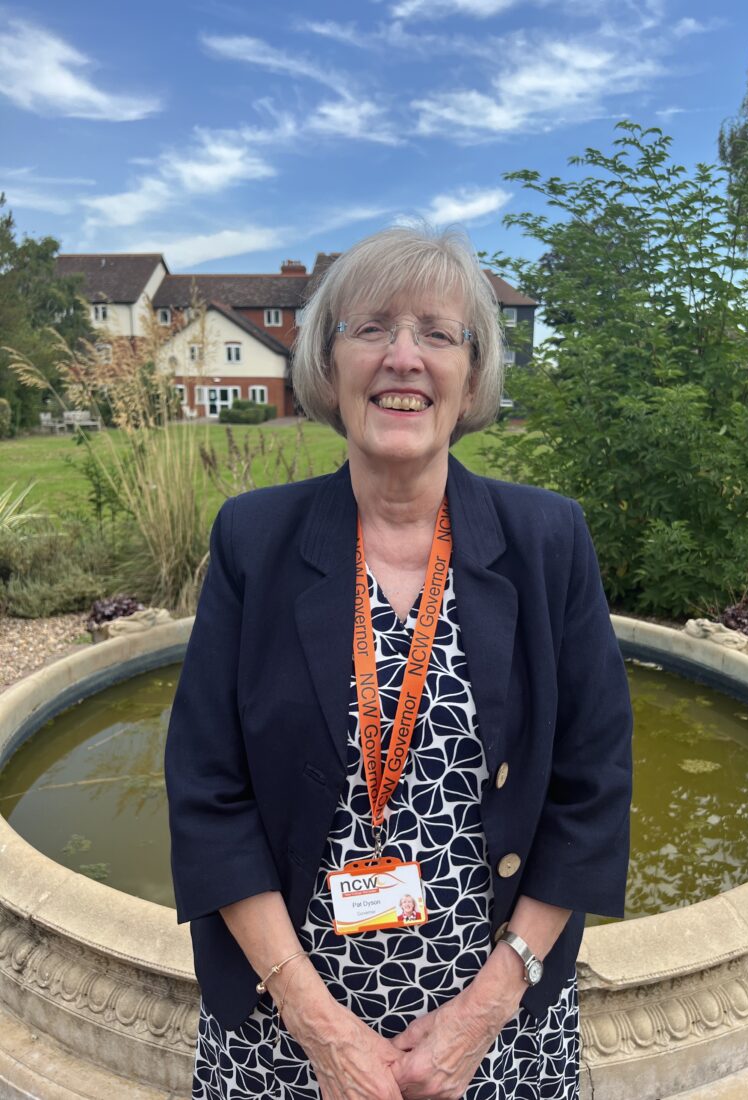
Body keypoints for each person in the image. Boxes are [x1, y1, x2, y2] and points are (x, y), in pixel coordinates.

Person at [164, 225, 633, 1100]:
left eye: (436, 333)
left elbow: (592, 785)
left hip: (492, 1032)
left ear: (471, 369)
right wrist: (316, 1025)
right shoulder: (253, 541)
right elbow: (206, 790)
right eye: (371, 328)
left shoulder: (546, 540)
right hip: (285, 1026)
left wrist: (484, 1013)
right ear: (327, 363)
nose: (403, 358)